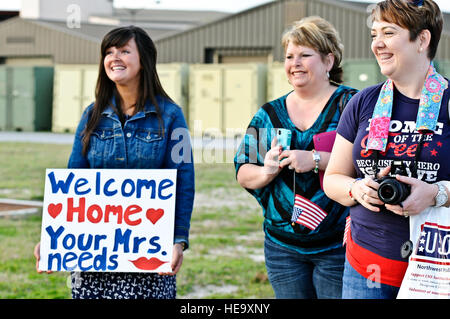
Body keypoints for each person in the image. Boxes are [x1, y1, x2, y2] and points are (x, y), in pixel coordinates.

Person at [34, 25, 195, 299]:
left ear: (144, 59)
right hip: (94, 259)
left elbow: (183, 181)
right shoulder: (91, 115)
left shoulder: (171, 116)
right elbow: (74, 181)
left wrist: (177, 240)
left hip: (148, 256)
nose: (114, 57)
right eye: (108, 52)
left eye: (124, 50)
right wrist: (53, 239)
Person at [324, 0, 450, 299]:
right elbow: (333, 178)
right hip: (367, 267)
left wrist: (436, 194)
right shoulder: (364, 102)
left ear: (422, 39)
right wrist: (357, 189)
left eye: (389, 33)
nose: (377, 44)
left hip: (437, 271)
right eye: (374, 35)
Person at [234, 16, 357, 299]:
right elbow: (243, 172)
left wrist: (316, 159)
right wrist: (266, 172)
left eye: (305, 55)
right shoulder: (269, 114)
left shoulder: (352, 105)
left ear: (328, 60)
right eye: (290, 56)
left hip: (339, 246)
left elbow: (372, 161)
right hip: (282, 248)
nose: (295, 63)